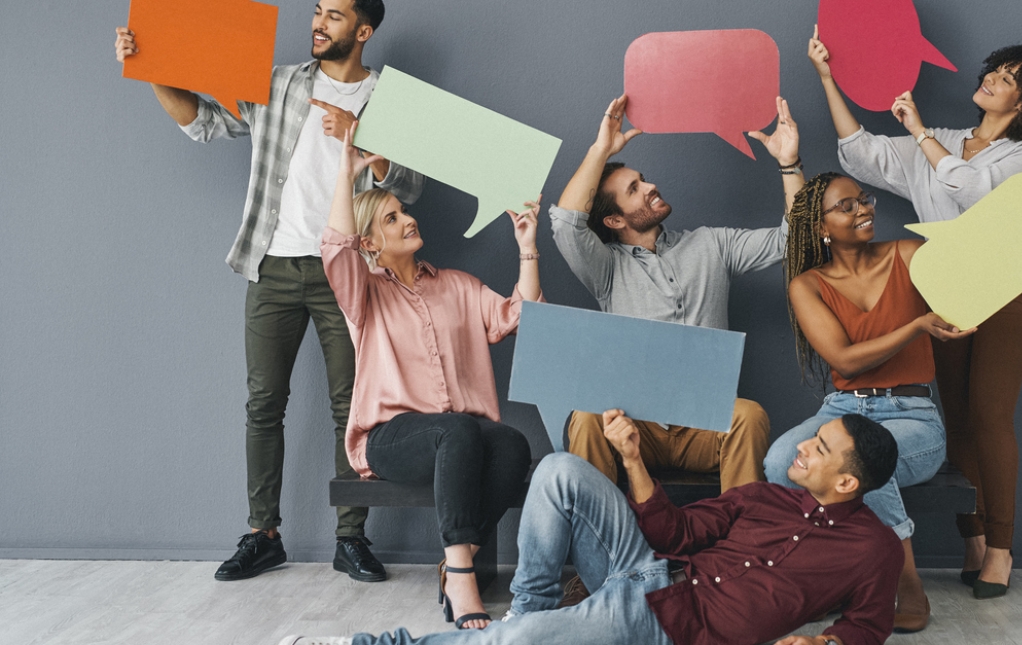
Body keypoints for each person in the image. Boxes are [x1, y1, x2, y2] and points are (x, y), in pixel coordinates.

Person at [114, 0, 425, 582]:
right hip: (274, 267)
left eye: (334, 15)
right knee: (263, 405)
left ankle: (351, 538)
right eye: (316, 11)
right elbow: (204, 122)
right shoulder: (277, 83)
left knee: (353, 410)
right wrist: (151, 64)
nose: (318, 22)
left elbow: (413, 185)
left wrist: (359, 140)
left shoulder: (391, 97)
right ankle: (263, 534)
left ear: (363, 30)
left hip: (348, 272)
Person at [808, 27, 1022, 599]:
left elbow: (975, 193)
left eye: (1007, 79)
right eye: (996, 69)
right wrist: (828, 78)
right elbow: (862, 151)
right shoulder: (942, 138)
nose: (991, 79)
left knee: (990, 416)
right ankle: (973, 537)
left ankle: (1002, 548)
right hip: (943, 292)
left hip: (1005, 291)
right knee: (954, 418)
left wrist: (918, 133)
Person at [281, 410, 903, 645]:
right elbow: (677, 536)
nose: (802, 449)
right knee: (557, 469)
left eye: (819, 448)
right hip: (653, 575)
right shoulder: (766, 495)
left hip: (672, 625)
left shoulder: (871, 549)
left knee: (519, 644)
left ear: (848, 482)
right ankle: (533, 610)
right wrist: (632, 458)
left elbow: (869, 625)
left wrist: (826, 644)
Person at [321, 124, 538, 630]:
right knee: (455, 426)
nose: (408, 219)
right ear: (371, 244)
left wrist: (527, 246)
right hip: (390, 438)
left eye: (405, 211)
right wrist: (345, 171)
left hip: (460, 437)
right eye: (391, 218)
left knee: (510, 444)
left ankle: (459, 559)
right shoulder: (364, 295)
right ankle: (461, 577)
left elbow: (517, 316)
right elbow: (336, 249)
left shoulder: (458, 286)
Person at [549, 95, 805, 493]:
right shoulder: (606, 268)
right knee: (585, 416)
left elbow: (792, 241)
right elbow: (567, 224)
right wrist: (601, 150)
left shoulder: (711, 244)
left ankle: (742, 548)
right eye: (635, 189)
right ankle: (600, 544)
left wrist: (789, 164)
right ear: (615, 220)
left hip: (707, 423)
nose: (651, 186)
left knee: (749, 415)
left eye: (643, 178)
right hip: (638, 429)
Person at [762, 172, 976, 632]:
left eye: (864, 200)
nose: (864, 210)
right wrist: (916, 327)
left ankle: (905, 583)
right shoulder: (808, 285)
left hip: (912, 414)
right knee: (781, 461)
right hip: (841, 410)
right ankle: (827, 578)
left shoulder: (908, 254)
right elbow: (844, 360)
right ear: (821, 226)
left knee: (858, 462)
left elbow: (980, 263)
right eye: (847, 206)